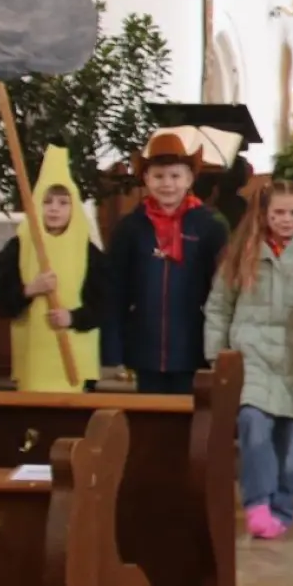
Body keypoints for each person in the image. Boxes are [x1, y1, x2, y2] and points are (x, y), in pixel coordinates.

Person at [203, 181, 293, 539]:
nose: (285, 219)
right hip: (252, 354)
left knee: (292, 451)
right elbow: (219, 307)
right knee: (253, 425)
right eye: (278, 212)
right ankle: (258, 503)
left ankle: (283, 506)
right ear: (263, 213)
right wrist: (218, 355)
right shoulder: (242, 252)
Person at [104, 131, 229, 395]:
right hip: (143, 346)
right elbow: (114, 290)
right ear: (146, 178)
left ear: (189, 178)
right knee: (150, 414)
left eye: (175, 176)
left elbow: (223, 290)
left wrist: (220, 346)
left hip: (194, 344)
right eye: (159, 176)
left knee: (191, 412)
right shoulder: (130, 227)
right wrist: (113, 351)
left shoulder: (210, 226)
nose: (167, 184)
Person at [0, 146, 107, 394]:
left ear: (74, 208)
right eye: (46, 202)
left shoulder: (88, 251)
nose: (54, 208)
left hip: (75, 360)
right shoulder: (19, 246)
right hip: (33, 361)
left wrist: (73, 318)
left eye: (63, 203)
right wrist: (30, 289)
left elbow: (105, 305)